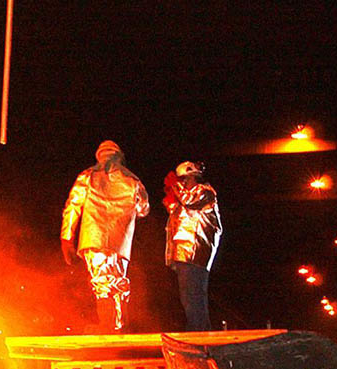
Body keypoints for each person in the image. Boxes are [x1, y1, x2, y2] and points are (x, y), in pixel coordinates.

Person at [60, 140, 150, 332]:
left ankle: (107, 326)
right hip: (120, 243)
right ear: (120, 157)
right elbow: (144, 209)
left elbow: (73, 206)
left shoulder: (88, 176)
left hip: (94, 238)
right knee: (118, 283)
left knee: (102, 283)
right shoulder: (132, 179)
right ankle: (120, 326)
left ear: (99, 156)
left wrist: (67, 238)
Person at [162, 160, 222, 331]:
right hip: (184, 252)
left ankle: (198, 332)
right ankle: (198, 330)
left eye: (184, 180)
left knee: (193, 295)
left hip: (194, 252)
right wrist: (171, 197)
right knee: (188, 295)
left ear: (193, 177)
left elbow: (188, 200)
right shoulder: (191, 197)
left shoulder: (205, 192)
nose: (182, 184)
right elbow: (177, 212)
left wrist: (175, 186)